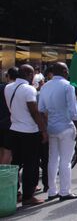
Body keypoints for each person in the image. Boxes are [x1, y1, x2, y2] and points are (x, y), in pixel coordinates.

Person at [38, 62, 77, 201]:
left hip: (51, 127)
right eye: (67, 70)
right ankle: (65, 191)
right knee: (66, 161)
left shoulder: (45, 86)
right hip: (66, 127)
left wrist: (45, 127)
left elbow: (41, 109)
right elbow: (73, 110)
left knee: (52, 160)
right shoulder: (68, 86)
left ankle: (52, 191)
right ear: (64, 71)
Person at [5, 64, 47, 205]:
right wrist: (43, 130)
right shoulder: (29, 89)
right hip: (29, 131)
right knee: (31, 164)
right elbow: (34, 112)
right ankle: (28, 196)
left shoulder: (8, 87)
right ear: (30, 74)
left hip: (14, 129)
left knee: (16, 162)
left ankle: (14, 192)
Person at [0, 67, 18, 164]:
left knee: (2, 150)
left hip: (1, 124)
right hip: (10, 124)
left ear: (8, 76)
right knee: (8, 152)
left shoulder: (2, 87)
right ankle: (4, 176)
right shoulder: (19, 89)